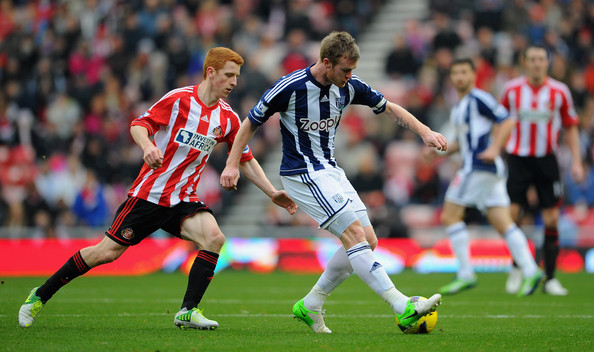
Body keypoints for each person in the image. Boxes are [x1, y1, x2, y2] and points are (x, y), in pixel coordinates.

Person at [18, 47, 298, 329]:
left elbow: (245, 159)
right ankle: (40, 295)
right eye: (228, 75)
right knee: (106, 253)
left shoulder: (228, 118)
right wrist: (148, 145)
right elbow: (139, 125)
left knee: (214, 238)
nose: (234, 82)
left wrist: (271, 192)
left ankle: (188, 311)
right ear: (210, 73)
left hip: (183, 200)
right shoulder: (178, 100)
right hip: (149, 196)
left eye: (237, 76)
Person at [220, 31, 447, 333]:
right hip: (302, 174)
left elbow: (389, 107)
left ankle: (311, 304)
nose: (350, 76)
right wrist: (232, 163)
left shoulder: (348, 87)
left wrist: (425, 132)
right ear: (326, 63)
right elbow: (250, 122)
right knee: (354, 234)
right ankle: (402, 306)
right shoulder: (291, 87)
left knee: (369, 239)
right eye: (345, 70)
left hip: (331, 171)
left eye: (352, 70)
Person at [426, 58, 543, 296]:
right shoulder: (459, 107)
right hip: (488, 169)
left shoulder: (479, 98)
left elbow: (508, 120)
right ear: (451, 78)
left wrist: (495, 148)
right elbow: (462, 143)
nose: (460, 77)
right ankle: (531, 270)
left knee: (450, 215)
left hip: (479, 166)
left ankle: (465, 274)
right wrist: (437, 152)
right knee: (503, 222)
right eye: (456, 73)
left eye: (464, 72)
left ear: (473, 76)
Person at [501, 44, 584, 296]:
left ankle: (549, 278)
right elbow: (500, 121)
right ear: (524, 62)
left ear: (547, 62)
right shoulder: (511, 90)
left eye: (541, 59)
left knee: (551, 218)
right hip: (518, 158)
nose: (537, 63)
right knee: (513, 214)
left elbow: (570, 127)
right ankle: (517, 268)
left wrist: (578, 161)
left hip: (547, 159)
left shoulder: (560, 92)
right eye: (532, 59)